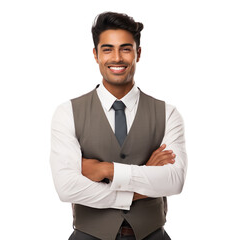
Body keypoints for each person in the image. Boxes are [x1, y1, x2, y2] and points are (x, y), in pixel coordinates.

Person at [50, 11, 187, 240]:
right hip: (88, 235)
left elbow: (174, 181)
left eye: (125, 48)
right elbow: (67, 187)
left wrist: (106, 170)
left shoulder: (167, 113)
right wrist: (142, 182)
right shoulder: (67, 113)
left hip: (152, 235)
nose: (117, 58)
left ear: (138, 53)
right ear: (96, 55)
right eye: (107, 49)